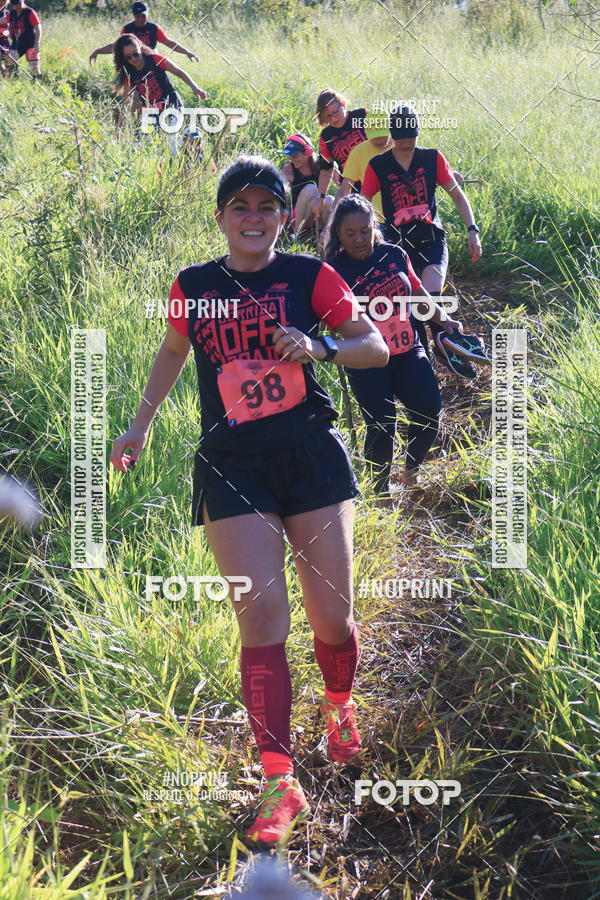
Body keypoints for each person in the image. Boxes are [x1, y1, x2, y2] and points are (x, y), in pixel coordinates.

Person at [109, 156, 388, 846]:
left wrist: (317, 344)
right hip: (233, 468)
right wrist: (139, 424)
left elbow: (375, 347)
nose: (255, 218)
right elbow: (173, 352)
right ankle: (277, 780)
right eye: (241, 208)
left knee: (332, 615)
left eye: (267, 207)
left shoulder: (309, 276)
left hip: (311, 459)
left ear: (283, 216)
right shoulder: (193, 286)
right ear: (221, 218)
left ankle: (339, 705)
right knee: (260, 614)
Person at [327, 194, 468, 495]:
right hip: (366, 360)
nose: (359, 239)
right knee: (381, 425)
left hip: (408, 349)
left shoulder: (395, 254)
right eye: (350, 234)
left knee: (429, 408)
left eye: (365, 230)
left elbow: (418, 293)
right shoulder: (333, 272)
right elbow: (326, 315)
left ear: (374, 225)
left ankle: (411, 471)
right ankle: (380, 493)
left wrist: (444, 321)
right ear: (338, 234)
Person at [362, 106, 482, 376]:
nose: (406, 143)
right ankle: (423, 361)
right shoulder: (377, 166)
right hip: (396, 244)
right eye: (401, 138)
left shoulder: (432, 158)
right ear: (392, 136)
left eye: (411, 138)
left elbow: (457, 195)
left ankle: (448, 348)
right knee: (411, 304)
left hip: (430, 238)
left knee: (431, 293)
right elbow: (363, 206)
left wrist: (472, 230)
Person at [113, 34, 206, 135]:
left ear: (140, 48)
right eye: (128, 57)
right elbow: (126, 102)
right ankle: (185, 137)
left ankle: (189, 137)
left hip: (172, 105)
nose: (133, 59)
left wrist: (195, 87)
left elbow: (179, 72)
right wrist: (119, 128)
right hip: (151, 113)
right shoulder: (128, 75)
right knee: (145, 140)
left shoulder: (155, 60)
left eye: (135, 54)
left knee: (171, 139)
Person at [312, 89, 368, 222]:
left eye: (335, 112)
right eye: (328, 116)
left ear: (342, 103)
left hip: (377, 177)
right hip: (352, 186)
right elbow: (326, 169)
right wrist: (321, 197)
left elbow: (386, 142)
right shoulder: (326, 136)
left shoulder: (361, 116)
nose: (333, 118)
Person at [90, 1, 198, 65]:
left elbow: (169, 43)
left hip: (152, 60)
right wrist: (98, 51)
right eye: (138, 16)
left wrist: (187, 52)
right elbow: (117, 46)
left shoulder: (154, 28)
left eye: (143, 16)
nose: (141, 19)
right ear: (133, 15)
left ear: (147, 15)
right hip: (134, 61)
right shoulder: (127, 29)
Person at [280, 132, 335, 238]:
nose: (292, 159)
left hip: (317, 211)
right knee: (311, 188)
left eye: (295, 156)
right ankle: (297, 235)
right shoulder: (289, 170)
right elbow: (281, 198)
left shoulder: (322, 164)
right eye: (290, 156)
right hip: (297, 216)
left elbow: (340, 184)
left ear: (308, 152)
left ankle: (324, 237)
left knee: (330, 201)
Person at [0, 0, 41, 78]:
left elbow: (38, 28)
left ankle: (37, 82)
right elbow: (4, 20)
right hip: (18, 43)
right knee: (9, 59)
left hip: (31, 43)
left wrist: (37, 43)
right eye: (15, 4)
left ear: (22, 2)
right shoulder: (12, 13)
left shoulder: (30, 12)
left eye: (18, 4)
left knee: (34, 67)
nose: (17, 6)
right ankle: (13, 79)